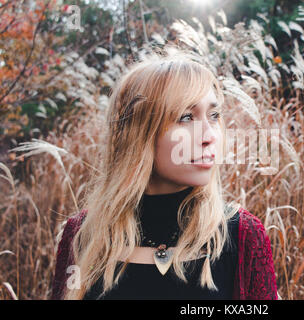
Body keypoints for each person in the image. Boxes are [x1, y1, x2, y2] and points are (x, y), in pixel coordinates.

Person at [51, 46, 278, 300]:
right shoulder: (82, 236)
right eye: (185, 117)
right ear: (139, 133)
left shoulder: (242, 235)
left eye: (213, 116)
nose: (209, 136)